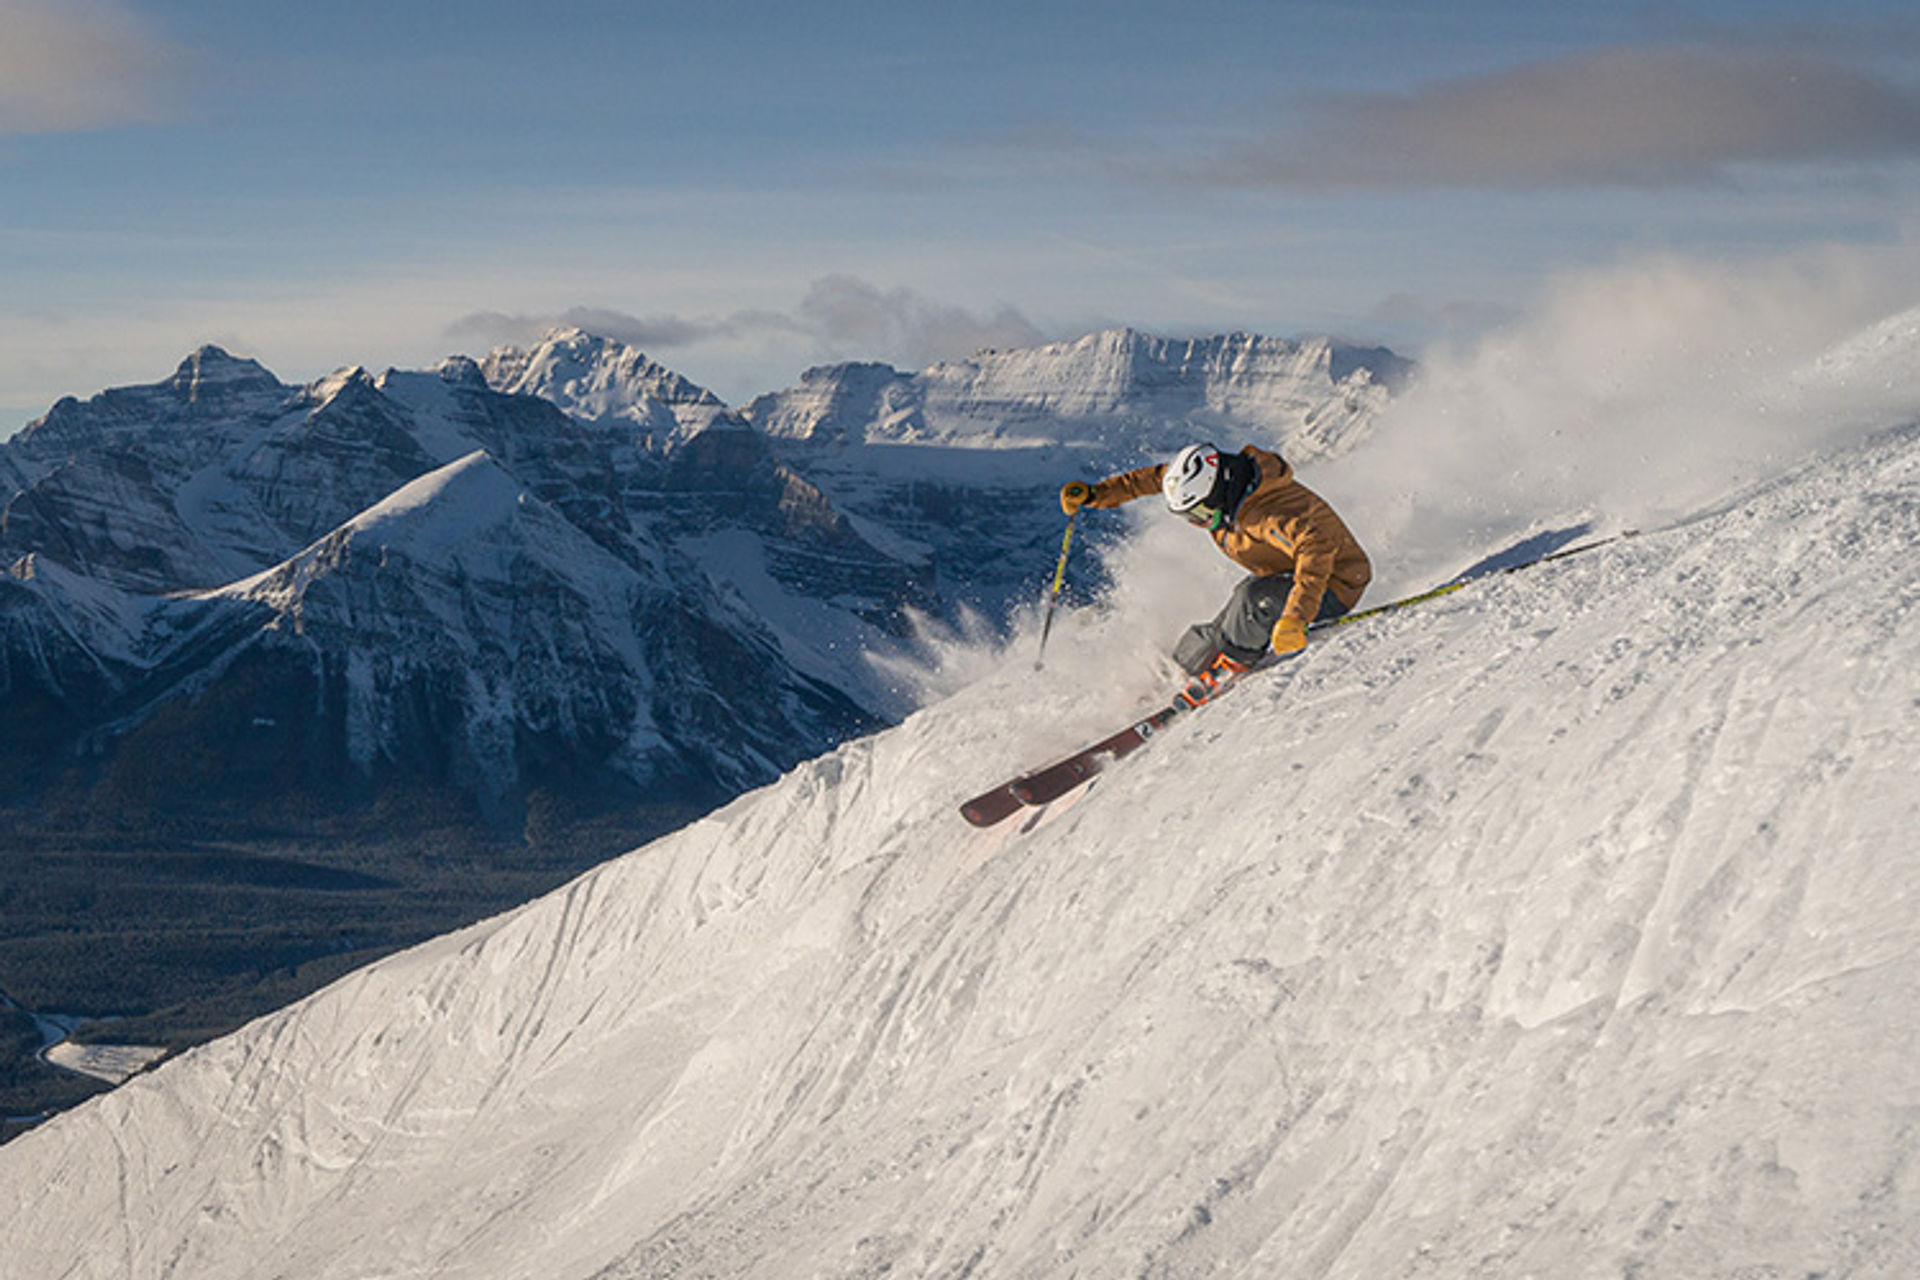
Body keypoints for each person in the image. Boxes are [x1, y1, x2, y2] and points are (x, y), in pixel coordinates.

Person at [1060, 442, 1371, 703]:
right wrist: (1096, 494)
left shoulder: (1264, 514)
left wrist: (1295, 617)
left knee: (1252, 602)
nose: (1198, 523)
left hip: (1334, 584)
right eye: (1188, 516)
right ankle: (1173, 677)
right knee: (1219, 626)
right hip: (1285, 575)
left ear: (1217, 492)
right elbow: (1153, 479)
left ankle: (1229, 667)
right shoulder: (1216, 481)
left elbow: (1316, 549)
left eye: (1199, 514)